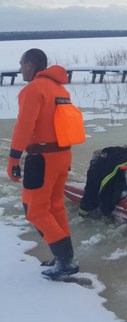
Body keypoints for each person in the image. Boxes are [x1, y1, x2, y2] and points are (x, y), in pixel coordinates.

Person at [6, 48, 79, 279]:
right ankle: (64, 257)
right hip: (62, 155)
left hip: (42, 158)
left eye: (21, 64)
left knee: (35, 210)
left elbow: (24, 126)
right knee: (54, 206)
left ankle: (66, 261)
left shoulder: (34, 89)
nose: (19, 69)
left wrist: (14, 158)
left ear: (30, 65)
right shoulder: (60, 90)